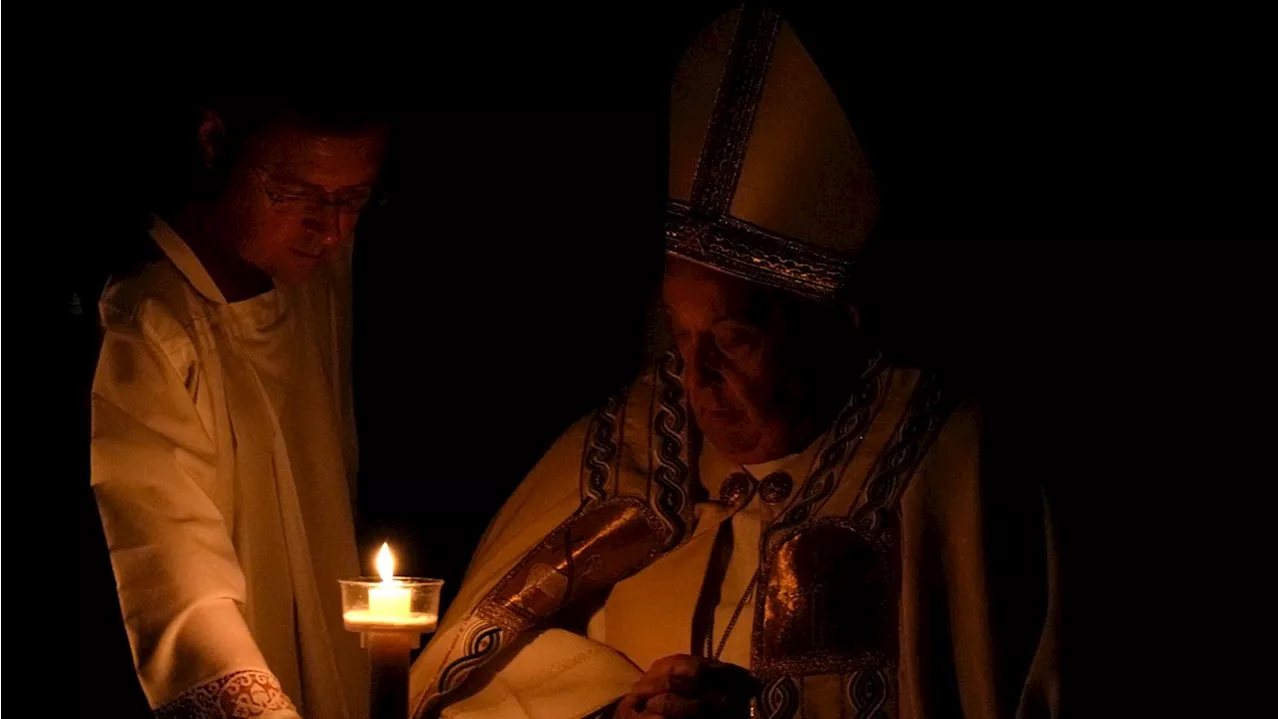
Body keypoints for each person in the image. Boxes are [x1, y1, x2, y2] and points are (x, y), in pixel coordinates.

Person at [408, 5, 1059, 719]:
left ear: (833, 330)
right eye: (680, 338)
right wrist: (616, 709)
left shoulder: (946, 462)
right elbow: (475, 682)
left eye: (735, 338)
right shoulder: (629, 440)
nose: (697, 380)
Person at [90, 97, 390, 719]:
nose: (331, 231)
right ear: (212, 141)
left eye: (354, 199)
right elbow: (174, 583)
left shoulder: (313, 281)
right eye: (296, 193)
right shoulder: (147, 326)